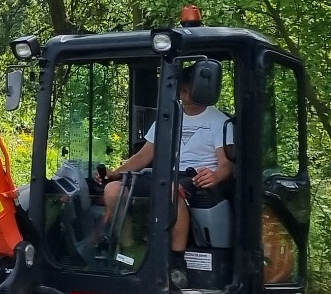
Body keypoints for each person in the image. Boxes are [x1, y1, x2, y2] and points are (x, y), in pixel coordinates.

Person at [99, 60, 233, 254]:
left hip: (194, 177)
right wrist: (115, 174)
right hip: (164, 174)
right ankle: (129, 249)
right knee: (112, 190)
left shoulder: (219, 121)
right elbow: (144, 156)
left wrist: (216, 176)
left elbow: (227, 164)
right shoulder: (167, 118)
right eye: (182, 90)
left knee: (170, 190)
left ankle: (176, 257)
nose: (183, 96)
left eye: (188, 91)